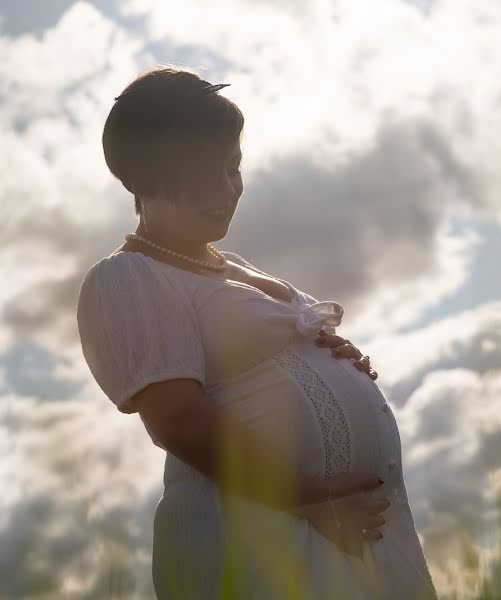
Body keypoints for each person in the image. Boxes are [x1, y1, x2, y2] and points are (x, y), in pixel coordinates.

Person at [76, 66, 438, 599]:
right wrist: (311, 498)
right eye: (204, 176)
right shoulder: (128, 278)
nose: (225, 191)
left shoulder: (234, 267)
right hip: (265, 533)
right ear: (146, 178)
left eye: (234, 169)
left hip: (354, 531)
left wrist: (326, 354)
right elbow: (178, 419)